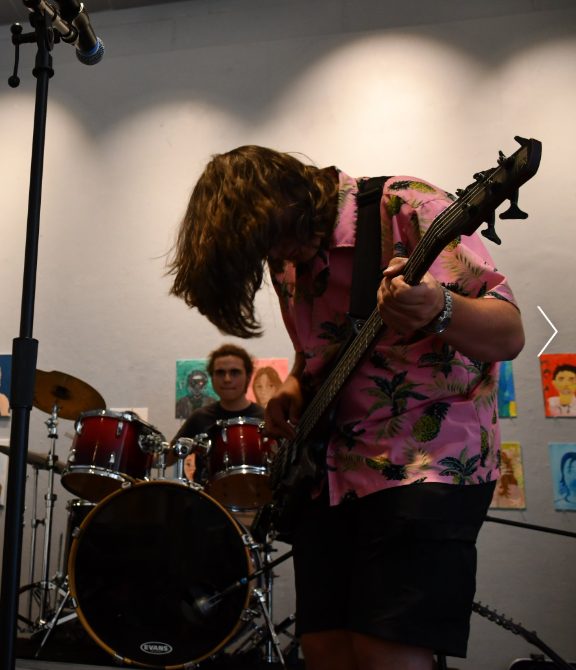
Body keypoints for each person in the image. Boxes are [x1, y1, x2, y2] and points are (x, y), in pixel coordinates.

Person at [168, 146, 524, 668]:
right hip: (330, 473)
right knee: (326, 650)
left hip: (426, 463)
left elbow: (509, 335)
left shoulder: (405, 207)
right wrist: (293, 384)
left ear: (289, 201)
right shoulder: (286, 257)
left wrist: (438, 307)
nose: (280, 259)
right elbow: (324, 348)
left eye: (277, 243)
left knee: (385, 653)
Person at [173, 344, 266, 485]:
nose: (227, 379)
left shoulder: (265, 417)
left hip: (258, 498)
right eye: (220, 373)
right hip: (207, 503)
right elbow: (167, 457)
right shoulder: (199, 418)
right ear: (212, 378)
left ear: (248, 377)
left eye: (235, 372)